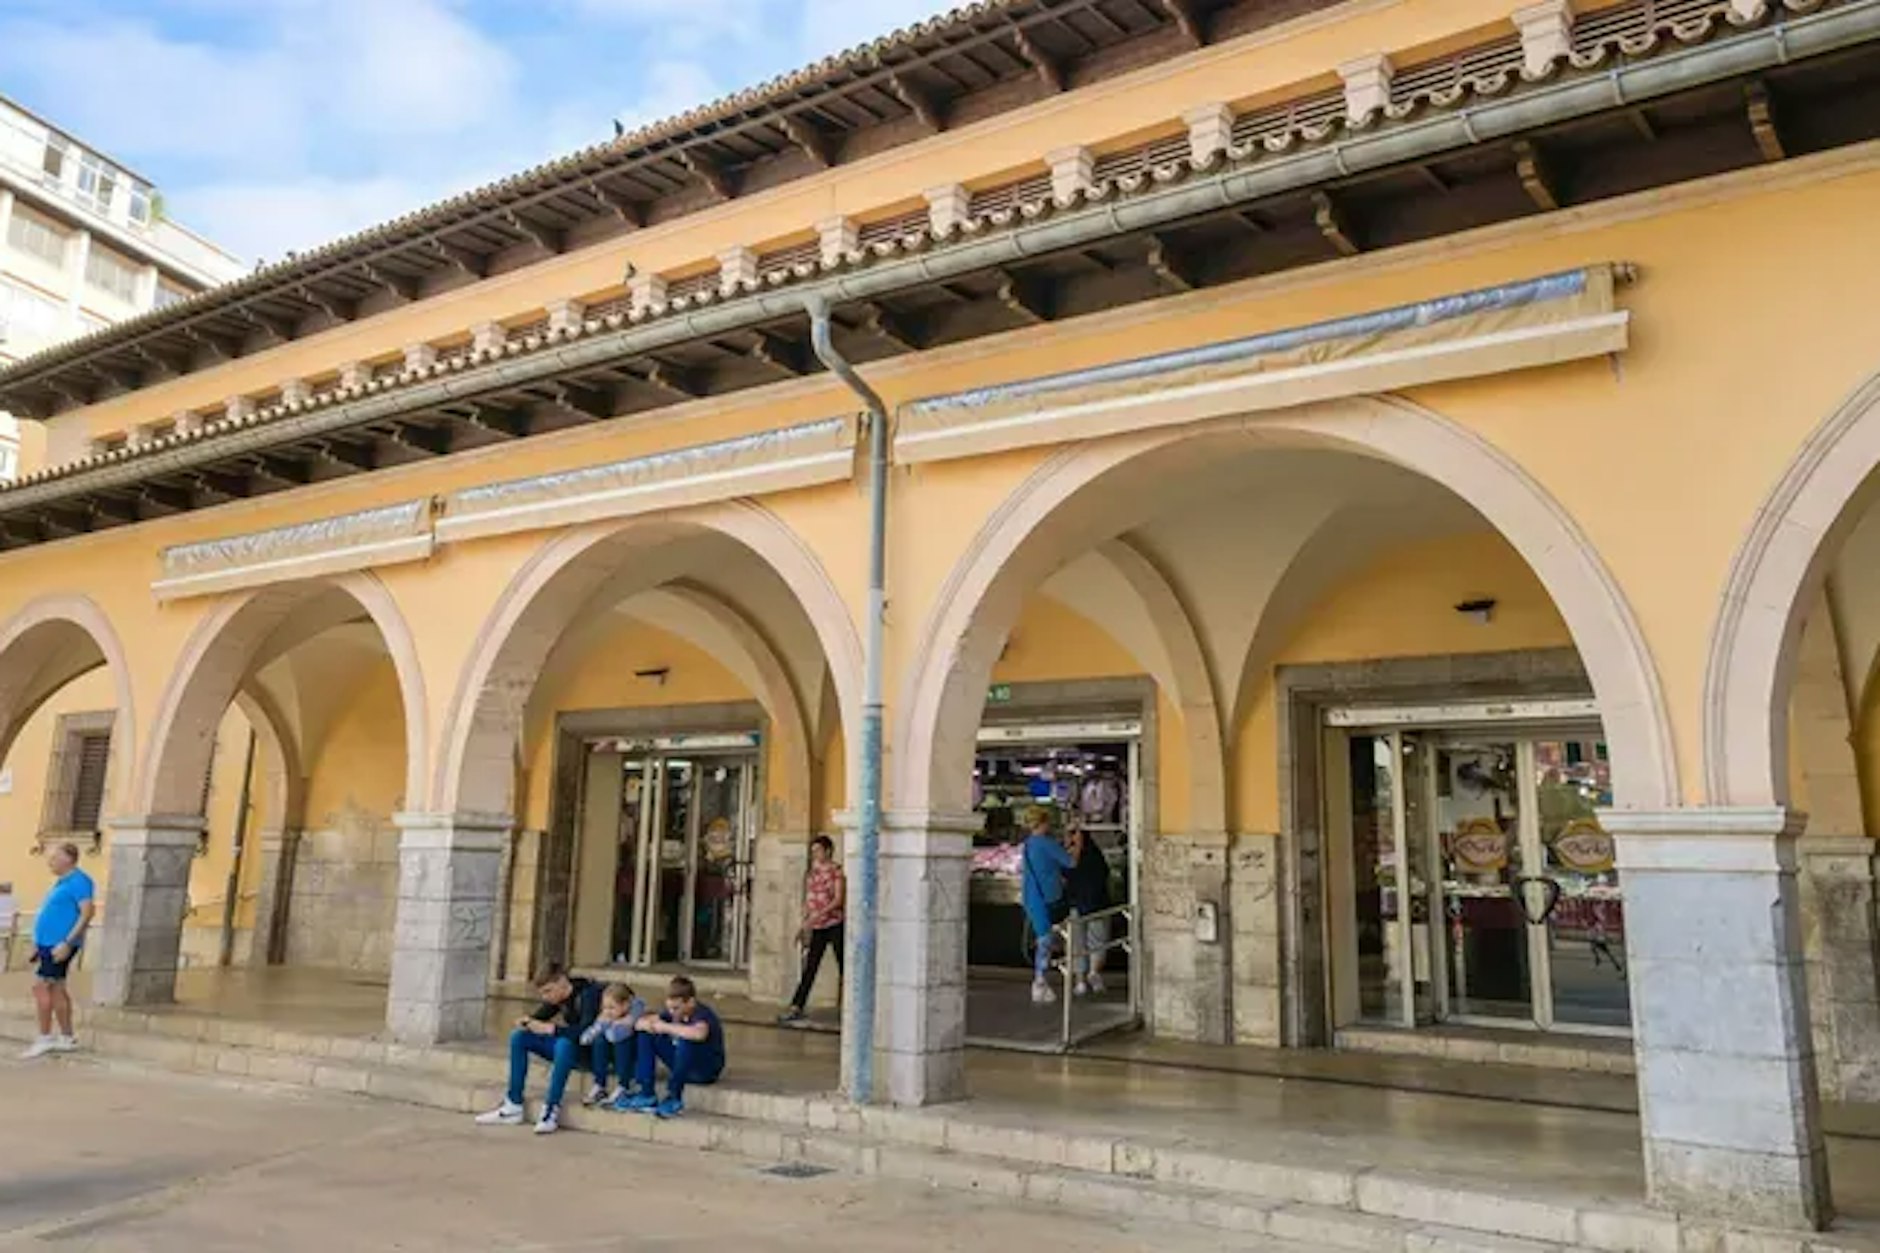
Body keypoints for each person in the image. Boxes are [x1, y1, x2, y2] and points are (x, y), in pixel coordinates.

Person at [474, 962, 602, 1135]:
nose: (545, 997)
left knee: (563, 1044)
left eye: (548, 991)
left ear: (562, 983)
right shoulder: (558, 998)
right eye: (542, 993)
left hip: (591, 1054)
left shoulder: (588, 995)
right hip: (570, 1050)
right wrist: (527, 1022)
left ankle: (550, 1110)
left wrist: (552, 1029)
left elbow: (588, 1033)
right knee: (519, 1038)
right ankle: (513, 1104)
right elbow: (540, 1016)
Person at [21, 842, 94, 1060]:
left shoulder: (80, 882)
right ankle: (66, 1036)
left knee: (42, 987)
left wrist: (67, 942)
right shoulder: (62, 882)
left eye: (54, 858)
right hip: (47, 942)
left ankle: (44, 1037)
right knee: (57, 988)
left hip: (59, 944)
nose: (50, 863)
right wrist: (36, 942)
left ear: (68, 859)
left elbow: (86, 913)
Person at [621, 975, 725, 1119]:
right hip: (682, 1064)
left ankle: (674, 1096)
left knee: (686, 1040)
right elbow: (643, 1023)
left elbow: (699, 1033)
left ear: (691, 1002)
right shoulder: (672, 1012)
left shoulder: (702, 1013)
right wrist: (647, 1024)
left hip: (703, 1071)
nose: (672, 1012)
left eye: (676, 1008)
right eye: (669, 1007)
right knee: (647, 1034)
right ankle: (646, 1093)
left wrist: (665, 1027)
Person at [778, 835, 845, 1025]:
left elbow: (838, 899)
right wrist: (804, 923)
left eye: (818, 850)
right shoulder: (812, 873)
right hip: (817, 925)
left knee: (844, 965)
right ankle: (796, 1006)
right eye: (813, 850)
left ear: (828, 851)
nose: (815, 854)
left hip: (834, 924)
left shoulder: (836, 871)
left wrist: (819, 914)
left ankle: (853, 1005)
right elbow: (809, 900)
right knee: (810, 967)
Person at [1019, 806, 1075, 1005]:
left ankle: (1041, 981)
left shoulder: (1027, 845)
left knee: (1044, 938)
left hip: (1031, 896)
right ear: (1043, 823)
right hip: (1045, 898)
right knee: (1045, 940)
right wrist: (1074, 844)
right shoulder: (1047, 844)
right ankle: (1039, 982)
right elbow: (1071, 862)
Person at [579, 981, 646, 1109]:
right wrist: (595, 1030)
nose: (607, 1011)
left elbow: (616, 1035)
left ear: (626, 1005)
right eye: (604, 1007)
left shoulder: (633, 1013)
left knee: (620, 1041)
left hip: (630, 1055)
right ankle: (599, 1084)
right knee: (599, 1040)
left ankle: (624, 1085)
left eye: (611, 1007)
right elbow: (596, 1028)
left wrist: (609, 1024)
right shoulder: (607, 1016)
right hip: (612, 1052)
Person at [1065, 825, 1112, 996]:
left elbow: (1066, 872)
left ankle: (1080, 981)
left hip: (1077, 905)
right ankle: (1094, 973)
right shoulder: (1096, 855)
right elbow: (1106, 873)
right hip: (1098, 904)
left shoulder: (1072, 855)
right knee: (1098, 942)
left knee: (1078, 944)